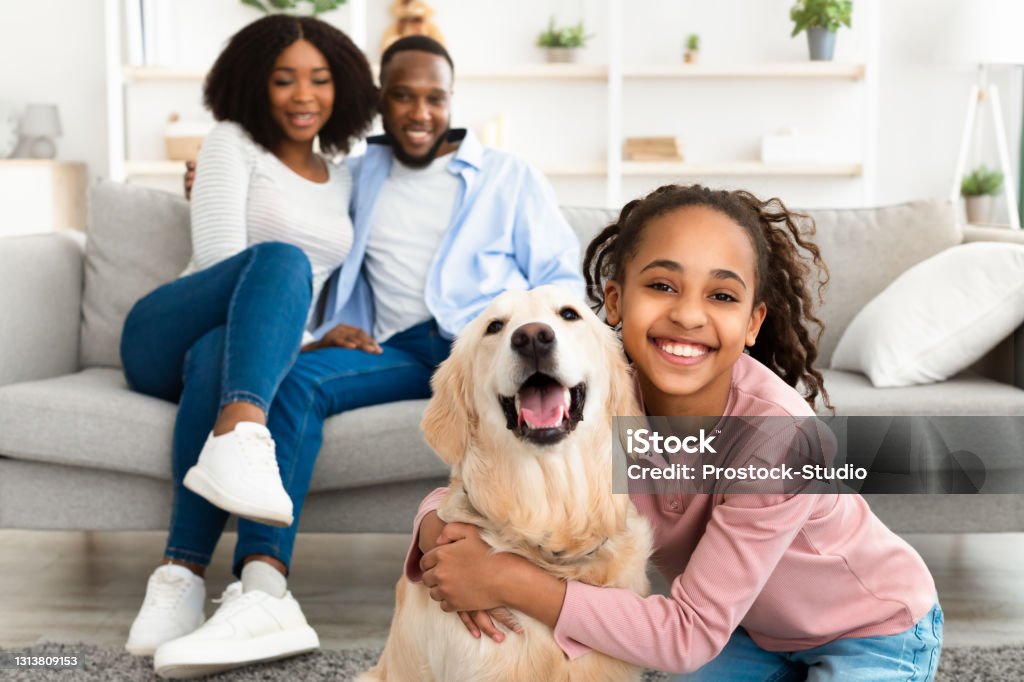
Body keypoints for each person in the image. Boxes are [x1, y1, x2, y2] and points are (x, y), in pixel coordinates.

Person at [142, 34, 584, 676]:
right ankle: (263, 588)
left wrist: (529, 349)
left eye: (434, 97)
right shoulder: (360, 171)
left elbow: (558, 278)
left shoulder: (508, 177)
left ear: (452, 99)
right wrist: (206, 181)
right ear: (381, 100)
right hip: (398, 349)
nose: (419, 112)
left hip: (483, 353)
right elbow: (295, 200)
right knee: (292, 384)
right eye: (402, 96)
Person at [409, 184, 943, 680]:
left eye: (722, 296)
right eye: (663, 286)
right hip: (749, 631)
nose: (688, 314)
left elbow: (687, 635)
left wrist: (505, 579)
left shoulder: (776, 438)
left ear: (753, 323)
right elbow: (488, 474)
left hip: (873, 626)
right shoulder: (598, 399)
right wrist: (435, 530)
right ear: (615, 301)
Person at [119, 14, 377, 673]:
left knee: (221, 354)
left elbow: (302, 301)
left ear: (341, 88)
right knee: (281, 261)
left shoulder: (343, 177)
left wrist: (315, 339)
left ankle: (178, 580)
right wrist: (296, 327)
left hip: (225, 352)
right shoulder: (234, 143)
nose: (303, 95)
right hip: (163, 331)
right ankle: (243, 433)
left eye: (319, 80)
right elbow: (219, 262)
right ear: (254, 85)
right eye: (283, 79)